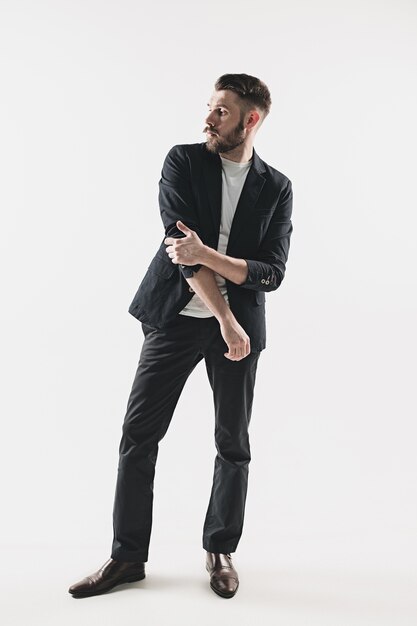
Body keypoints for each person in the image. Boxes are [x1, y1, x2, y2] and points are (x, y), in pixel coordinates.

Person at [68, 73, 293, 600]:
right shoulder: (184, 161)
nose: (209, 118)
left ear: (250, 119)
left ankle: (220, 549)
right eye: (210, 108)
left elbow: (272, 272)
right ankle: (126, 557)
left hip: (238, 333)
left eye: (221, 111)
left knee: (233, 445)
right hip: (175, 319)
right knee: (139, 437)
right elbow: (178, 246)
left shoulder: (277, 186)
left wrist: (212, 258)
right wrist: (227, 317)